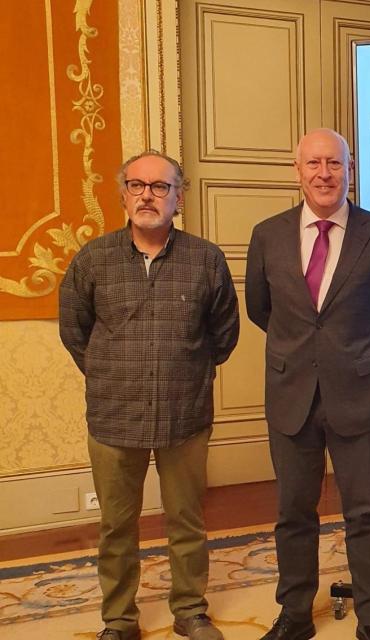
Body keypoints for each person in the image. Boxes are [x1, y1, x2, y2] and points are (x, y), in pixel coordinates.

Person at [59, 150, 240, 640]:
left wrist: (188, 375)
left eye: (160, 187)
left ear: (178, 198)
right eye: (137, 185)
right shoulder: (92, 259)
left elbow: (224, 335)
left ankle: (190, 611)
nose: (147, 195)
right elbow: (75, 333)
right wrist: (108, 374)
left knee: (187, 521)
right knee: (117, 528)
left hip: (185, 416)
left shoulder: (206, 259)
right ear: (122, 194)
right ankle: (119, 619)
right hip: (114, 418)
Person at [245, 128, 370, 640]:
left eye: (335, 164)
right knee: (293, 513)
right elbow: (261, 309)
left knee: (366, 513)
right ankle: (294, 615)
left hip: (360, 395)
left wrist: (351, 354)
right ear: (296, 170)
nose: (324, 173)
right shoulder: (267, 235)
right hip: (291, 394)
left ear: (350, 169)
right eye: (314, 164)